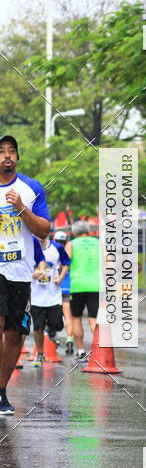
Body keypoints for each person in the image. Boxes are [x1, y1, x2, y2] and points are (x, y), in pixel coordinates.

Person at [0, 135, 51, 415]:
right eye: (1, 151)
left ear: (17, 157)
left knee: (14, 335)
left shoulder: (31, 188)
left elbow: (43, 230)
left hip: (20, 274)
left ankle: (1, 391)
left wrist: (21, 207)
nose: (7, 155)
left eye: (11, 151)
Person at [30, 234, 70, 366]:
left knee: (57, 324)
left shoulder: (57, 247)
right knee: (37, 327)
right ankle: (40, 354)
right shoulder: (30, 247)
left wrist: (61, 277)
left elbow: (66, 262)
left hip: (53, 294)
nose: (41, 235)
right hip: (36, 295)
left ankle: (51, 330)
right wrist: (32, 274)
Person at [65, 221, 100, 361]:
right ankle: (100, 352)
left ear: (74, 233)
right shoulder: (98, 243)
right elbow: (109, 263)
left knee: (76, 318)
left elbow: (65, 263)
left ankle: (81, 352)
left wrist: (60, 278)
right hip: (96, 286)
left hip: (77, 286)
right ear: (88, 231)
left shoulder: (71, 244)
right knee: (94, 319)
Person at [53, 230, 74, 355]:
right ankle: (69, 339)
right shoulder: (69, 253)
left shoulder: (52, 252)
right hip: (67, 287)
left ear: (54, 240)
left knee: (50, 315)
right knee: (68, 316)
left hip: (55, 288)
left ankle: (53, 338)